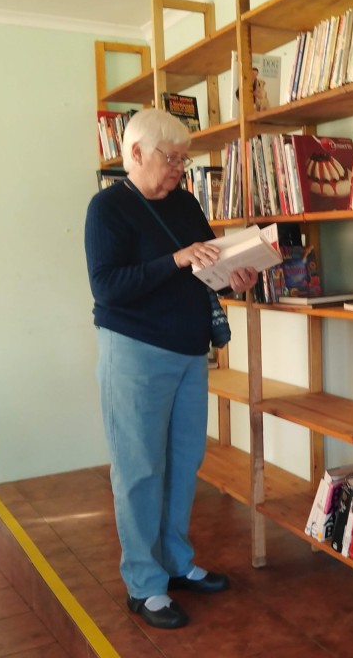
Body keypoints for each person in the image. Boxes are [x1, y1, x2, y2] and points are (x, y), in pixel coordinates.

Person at [83, 108, 258, 630]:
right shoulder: (107, 208)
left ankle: (176, 562)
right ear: (134, 154)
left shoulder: (184, 202)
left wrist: (233, 277)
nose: (181, 166)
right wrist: (176, 260)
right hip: (134, 351)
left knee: (184, 463)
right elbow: (107, 286)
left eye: (185, 157)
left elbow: (205, 267)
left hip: (189, 351)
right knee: (139, 470)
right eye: (172, 157)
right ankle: (144, 583)